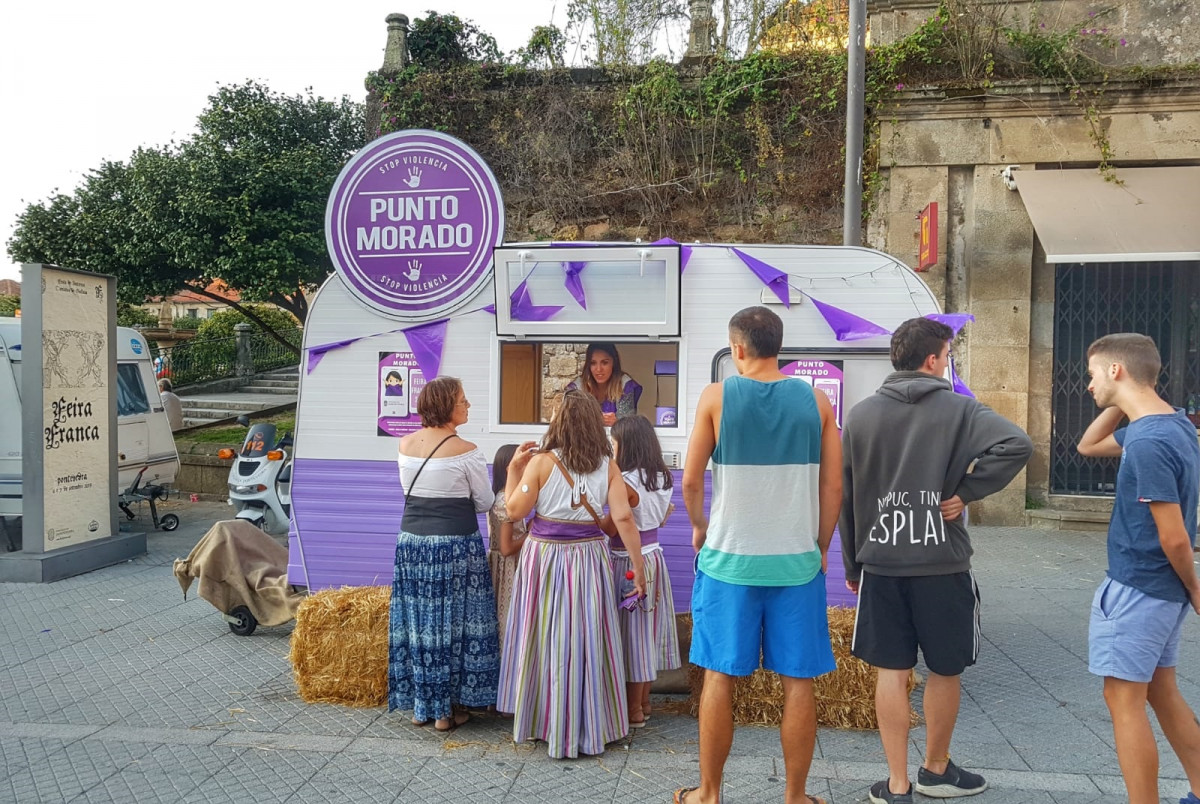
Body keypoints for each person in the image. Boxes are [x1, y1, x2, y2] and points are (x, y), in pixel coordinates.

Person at [840, 317, 1032, 804]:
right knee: (946, 670)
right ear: (932, 360)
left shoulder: (860, 416)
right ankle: (936, 769)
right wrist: (966, 491)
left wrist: (852, 567)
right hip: (942, 565)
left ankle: (897, 783)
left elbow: (847, 498)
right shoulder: (961, 410)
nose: (947, 364)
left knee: (891, 671)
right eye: (947, 356)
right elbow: (1017, 444)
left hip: (881, 564)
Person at [677, 306, 842, 804]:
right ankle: (795, 796)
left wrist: (701, 529)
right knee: (798, 681)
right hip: (795, 563)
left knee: (719, 677)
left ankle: (708, 794)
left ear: (738, 349)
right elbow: (833, 485)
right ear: (779, 346)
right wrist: (821, 546)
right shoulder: (816, 402)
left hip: (729, 561)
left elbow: (689, 480)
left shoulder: (716, 396)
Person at [1076, 333, 1200, 804]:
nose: (1088, 386)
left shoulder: (1147, 443)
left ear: (1115, 370)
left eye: (1093, 374)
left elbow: (1173, 534)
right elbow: (1089, 445)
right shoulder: (1174, 424)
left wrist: (1195, 586)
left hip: (1139, 587)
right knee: (1161, 692)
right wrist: (1125, 397)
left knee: (1123, 701)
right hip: (1160, 591)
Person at [496, 390, 647, 759]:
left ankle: (546, 722)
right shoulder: (606, 464)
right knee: (587, 638)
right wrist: (639, 569)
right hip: (590, 559)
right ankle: (588, 723)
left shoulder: (542, 462)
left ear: (559, 422)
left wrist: (514, 469)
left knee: (545, 636)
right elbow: (624, 517)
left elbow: (513, 511)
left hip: (545, 559)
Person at [388, 376, 498, 732]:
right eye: (463, 401)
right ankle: (446, 712)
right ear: (447, 406)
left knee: (420, 625)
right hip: (454, 546)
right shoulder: (466, 449)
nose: (468, 406)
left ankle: (423, 706)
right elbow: (485, 503)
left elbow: (410, 490)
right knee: (453, 625)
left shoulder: (405, 444)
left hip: (412, 543)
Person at [602, 415, 681, 728]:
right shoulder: (662, 477)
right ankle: (645, 702)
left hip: (629, 561)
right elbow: (660, 518)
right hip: (655, 558)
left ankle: (632, 709)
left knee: (632, 636)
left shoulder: (627, 482)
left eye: (614, 442)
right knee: (648, 633)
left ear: (625, 445)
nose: (611, 448)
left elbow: (612, 526)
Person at [486, 443, 527, 654]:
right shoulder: (505, 502)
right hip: (508, 567)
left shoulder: (501, 497)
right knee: (508, 618)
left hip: (503, 565)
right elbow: (506, 548)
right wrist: (531, 534)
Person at [566, 342, 642, 426]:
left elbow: (629, 426)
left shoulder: (624, 385)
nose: (599, 369)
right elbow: (568, 422)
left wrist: (617, 422)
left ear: (614, 362)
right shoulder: (577, 388)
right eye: (593, 363)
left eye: (604, 363)